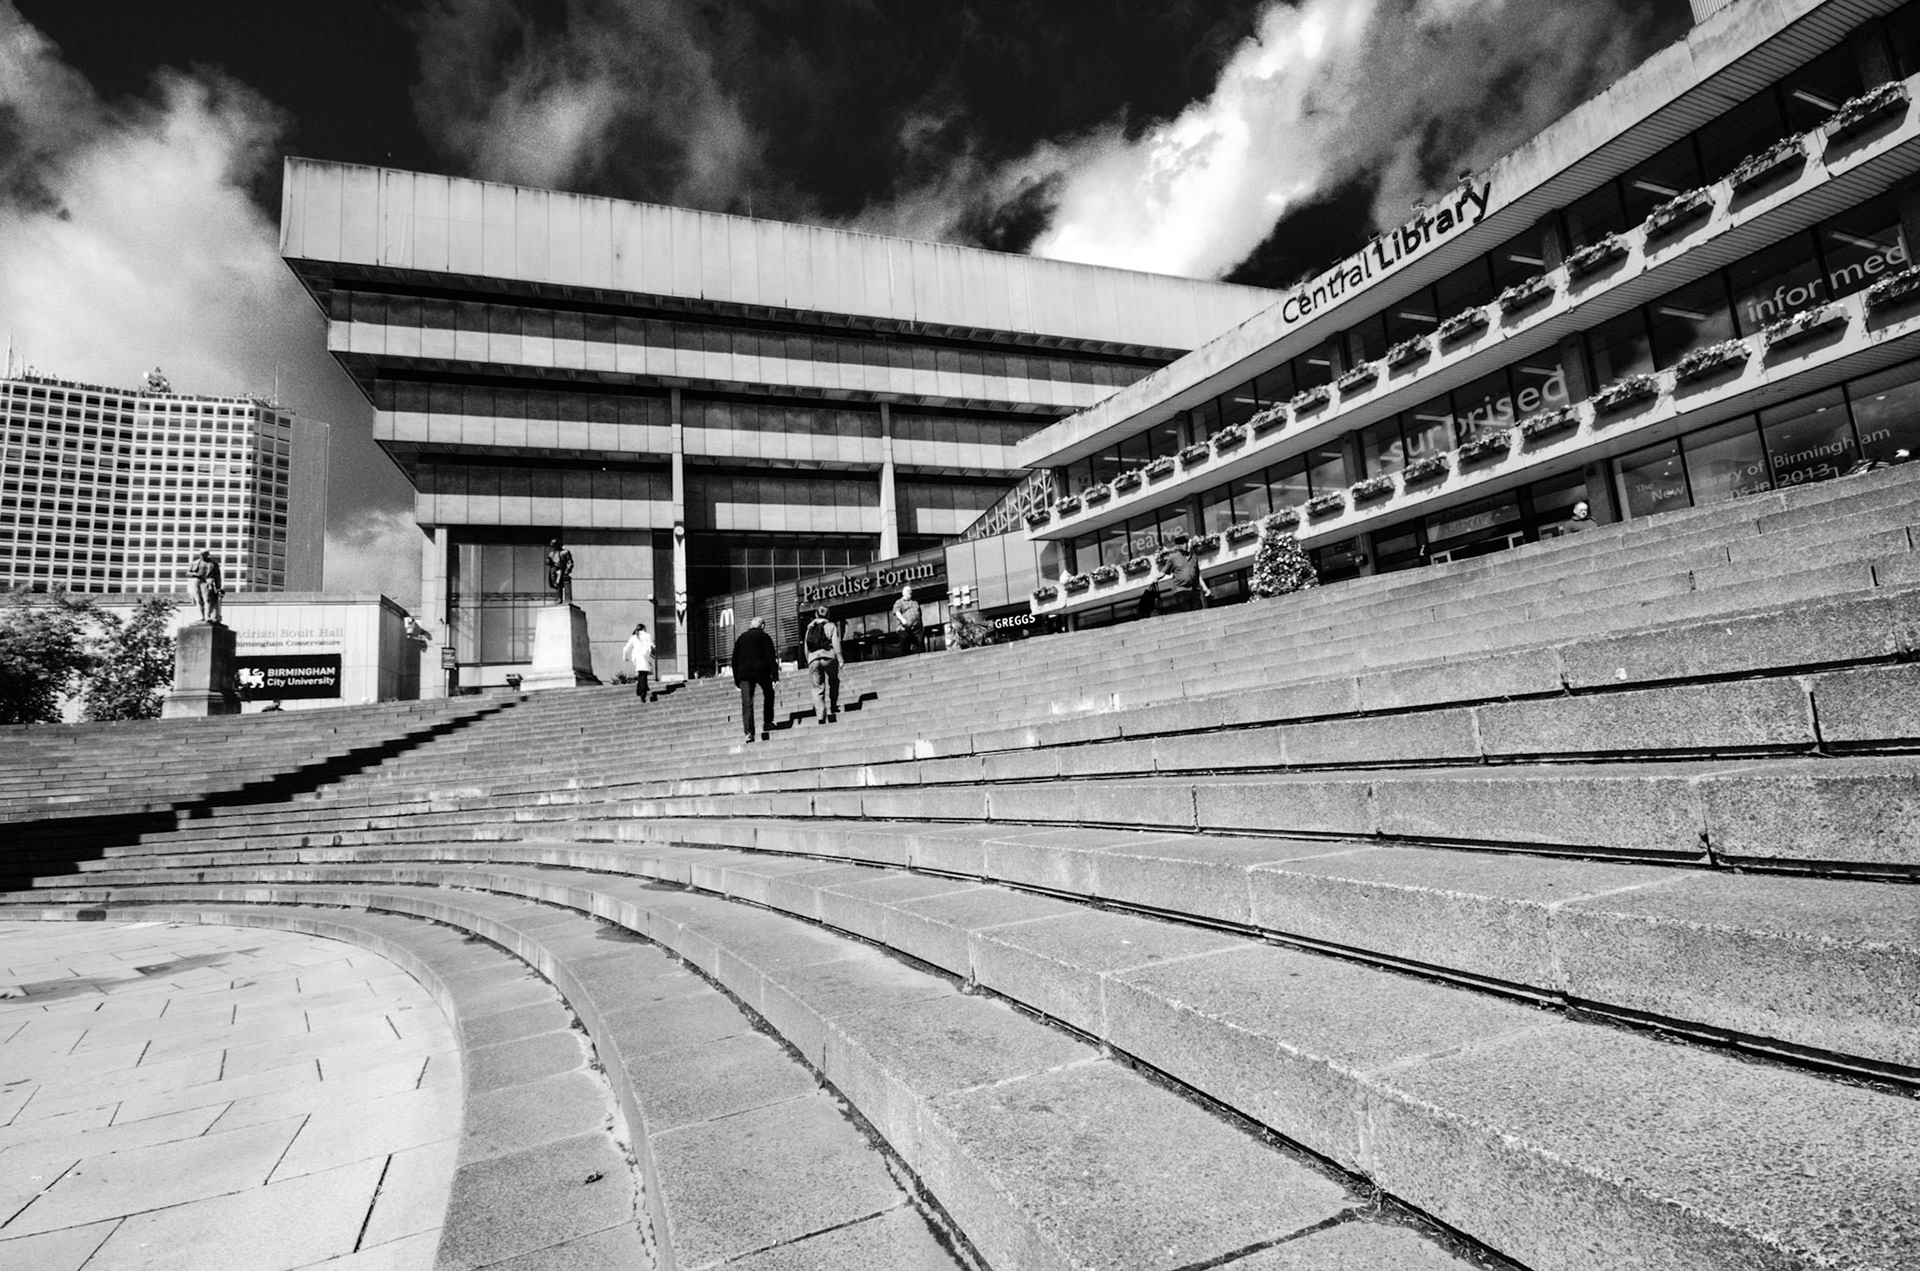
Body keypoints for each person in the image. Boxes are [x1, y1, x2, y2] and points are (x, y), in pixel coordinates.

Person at [731, 616, 779, 741]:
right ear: (762, 626)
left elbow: (734, 660)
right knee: (769, 693)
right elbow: (770, 657)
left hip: (745, 674)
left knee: (747, 703)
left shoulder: (741, 638)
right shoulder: (764, 637)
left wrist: (737, 679)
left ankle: (749, 732)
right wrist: (775, 676)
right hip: (761, 671)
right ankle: (768, 722)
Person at [802, 605, 843, 724]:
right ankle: (834, 706)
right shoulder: (831, 626)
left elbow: (806, 648)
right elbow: (836, 644)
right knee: (834, 680)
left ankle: (821, 716)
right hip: (828, 657)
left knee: (817, 688)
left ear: (816, 615)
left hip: (813, 659)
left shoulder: (809, 629)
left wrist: (809, 660)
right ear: (828, 615)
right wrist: (840, 659)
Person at [1154, 533, 1210, 614]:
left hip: (1194, 589)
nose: (1185, 545)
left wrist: (1205, 588)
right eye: (1182, 544)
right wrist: (1156, 578)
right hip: (1181, 589)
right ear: (1178, 546)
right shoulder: (1173, 558)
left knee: (1198, 610)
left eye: (1186, 543)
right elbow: (1164, 571)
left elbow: (1197, 575)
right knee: (1186, 610)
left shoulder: (1193, 557)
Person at [621, 622, 656, 701]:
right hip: (645, 656)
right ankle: (642, 691)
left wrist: (624, 657)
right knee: (643, 674)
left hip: (636, 657)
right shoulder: (648, 635)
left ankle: (641, 690)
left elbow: (626, 649)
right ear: (643, 628)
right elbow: (651, 645)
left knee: (641, 673)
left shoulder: (633, 637)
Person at [187, 548, 224, 623]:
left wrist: (218, 587)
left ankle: (207, 616)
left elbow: (217, 577)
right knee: (198, 599)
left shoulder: (213, 564)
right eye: (200, 555)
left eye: (203, 555)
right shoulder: (195, 563)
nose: (201, 556)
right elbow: (188, 573)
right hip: (196, 581)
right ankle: (202, 616)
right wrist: (195, 574)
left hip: (207, 581)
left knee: (207, 599)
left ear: (207, 555)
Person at [891, 585, 925, 655]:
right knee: (905, 647)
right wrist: (903, 620)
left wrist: (921, 626)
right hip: (904, 628)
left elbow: (919, 614)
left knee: (920, 645)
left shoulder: (915, 602)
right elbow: (897, 612)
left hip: (916, 628)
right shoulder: (899, 602)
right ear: (903, 593)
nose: (910, 592)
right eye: (908, 591)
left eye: (911, 591)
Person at [546, 538, 574, 603]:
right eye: (552, 544)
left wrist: (568, 569)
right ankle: (559, 598)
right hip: (553, 569)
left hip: (560, 569)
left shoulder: (565, 552)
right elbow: (548, 562)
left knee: (559, 583)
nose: (552, 545)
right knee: (556, 584)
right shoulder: (551, 553)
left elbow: (569, 561)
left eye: (553, 544)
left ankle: (562, 599)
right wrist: (548, 561)